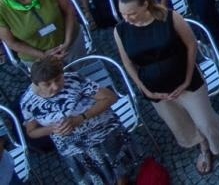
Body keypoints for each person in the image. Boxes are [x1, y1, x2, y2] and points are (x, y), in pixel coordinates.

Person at [114, 0, 219, 175]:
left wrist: (187, 78)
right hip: (156, 90)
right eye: (123, 14)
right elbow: (127, 63)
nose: (126, 18)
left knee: (205, 119)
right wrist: (144, 89)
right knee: (179, 124)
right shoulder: (120, 30)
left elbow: (191, 45)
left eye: (131, 13)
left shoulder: (170, 17)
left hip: (186, 80)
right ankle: (203, 145)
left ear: (145, 5)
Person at [20, 55, 142, 185]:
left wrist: (81, 118)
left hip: (103, 133)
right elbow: (31, 132)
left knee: (121, 174)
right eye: (47, 84)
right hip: (74, 148)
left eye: (58, 79)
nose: (55, 86)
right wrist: (52, 129)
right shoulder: (28, 102)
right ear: (36, 83)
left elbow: (110, 97)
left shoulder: (74, 80)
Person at [0, 0, 83, 64]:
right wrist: (43, 55)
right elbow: (11, 42)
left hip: (71, 45)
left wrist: (67, 42)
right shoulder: (1, 10)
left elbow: (69, 13)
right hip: (37, 59)